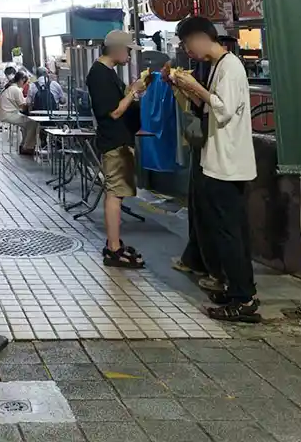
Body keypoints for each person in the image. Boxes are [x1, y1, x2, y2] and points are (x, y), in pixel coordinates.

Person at [168, 17, 259, 322]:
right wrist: (189, 90)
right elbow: (212, 108)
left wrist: (196, 87)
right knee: (224, 232)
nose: (186, 49)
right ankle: (235, 288)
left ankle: (243, 299)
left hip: (228, 165)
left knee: (230, 233)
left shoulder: (231, 67)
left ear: (200, 38)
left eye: (186, 42)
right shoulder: (219, 66)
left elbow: (224, 109)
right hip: (217, 161)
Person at [85, 29, 149, 269]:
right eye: (129, 50)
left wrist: (132, 89)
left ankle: (114, 244)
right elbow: (113, 111)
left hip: (120, 140)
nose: (130, 55)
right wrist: (132, 92)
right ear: (117, 50)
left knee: (117, 193)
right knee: (115, 193)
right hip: (114, 142)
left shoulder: (107, 73)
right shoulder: (99, 75)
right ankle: (113, 248)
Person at [0, 70, 39, 156]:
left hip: (4, 114)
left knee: (25, 124)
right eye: (25, 82)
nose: (25, 85)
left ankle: (24, 144)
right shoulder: (15, 89)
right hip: (8, 114)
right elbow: (23, 106)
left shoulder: (10, 87)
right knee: (33, 123)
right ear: (21, 80)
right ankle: (27, 147)